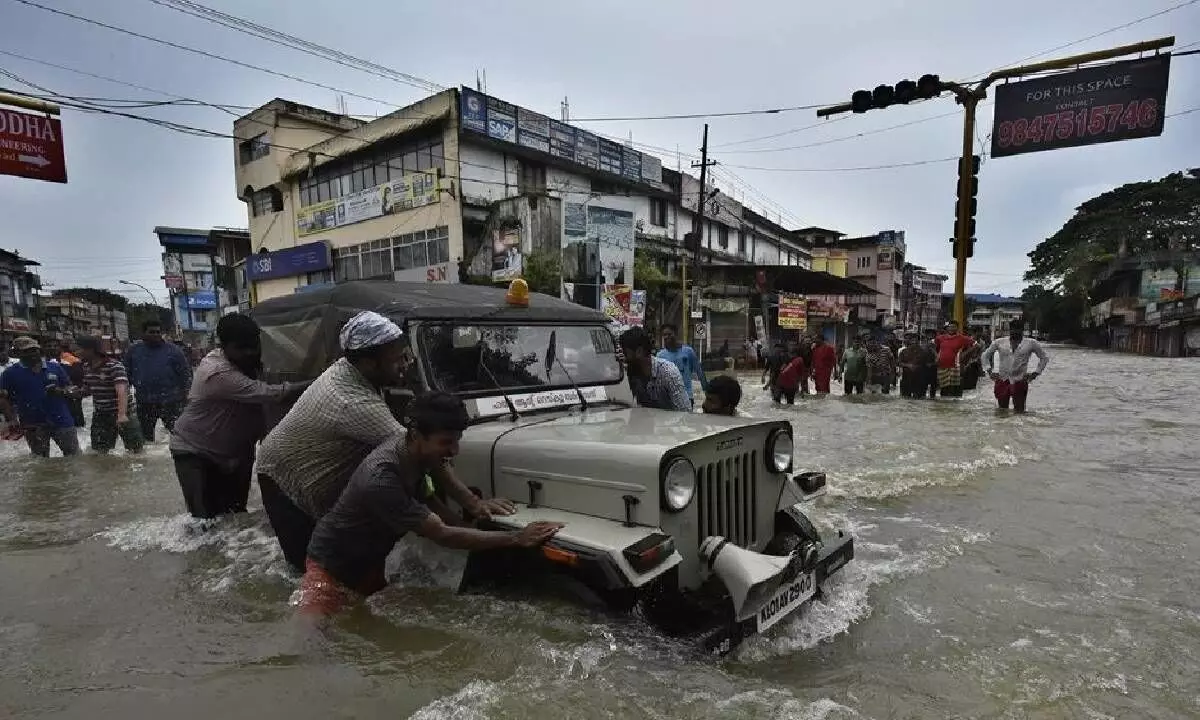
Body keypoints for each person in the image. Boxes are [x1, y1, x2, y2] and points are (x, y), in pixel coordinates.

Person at [257, 310, 514, 573]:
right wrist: (472, 503)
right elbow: (419, 451)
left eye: (405, 356)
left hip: (311, 460)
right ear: (369, 362)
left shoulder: (355, 369)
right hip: (284, 478)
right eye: (396, 360)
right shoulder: (353, 402)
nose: (404, 365)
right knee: (310, 569)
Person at [298, 392, 564, 617]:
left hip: (370, 563)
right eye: (446, 442)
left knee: (371, 626)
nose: (454, 451)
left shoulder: (415, 453)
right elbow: (442, 535)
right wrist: (517, 537)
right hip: (330, 568)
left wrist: (474, 504)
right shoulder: (380, 478)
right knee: (316, 640)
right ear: (416, 435)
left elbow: (431, 487)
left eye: (457, 441)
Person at [169, 313, 310, 520]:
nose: (250, 352)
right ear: (223, 346)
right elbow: (273, 394)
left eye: (253, 345)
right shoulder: (217, 371)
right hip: (195, 451)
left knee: (236, 518)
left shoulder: (254, 362)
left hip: (237, 453)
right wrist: (320, 380)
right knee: (204, 522)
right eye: (241, 348)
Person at [0, 336, 80, 457]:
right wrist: (11, 419)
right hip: (32, 424)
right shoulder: (10, 373)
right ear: (17, 353)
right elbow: (2, 397)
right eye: (26, 351)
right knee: (40, 462)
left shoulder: (55, 367)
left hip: (61, 421)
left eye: (34, 350)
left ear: (39, 350)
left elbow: (72, 388)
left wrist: (62, 391)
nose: (32, 354)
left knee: (74, 457)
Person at [125, 320, 192, 441]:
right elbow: (126, 376)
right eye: (152, 332)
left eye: (158, 332)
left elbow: (185, 374)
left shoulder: (174, 351)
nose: (156, 335)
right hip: (144, 402)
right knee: (146, 440)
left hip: (171, 401)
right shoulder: (134, 351)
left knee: (179, 435)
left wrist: (186, 396)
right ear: (143, 333)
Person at [75, 335, 144, 454]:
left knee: (136, 451)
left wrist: (121, 415)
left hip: (124, 412)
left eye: (79, 349)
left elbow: (121, 391)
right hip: (101, 415)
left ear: (90, 350)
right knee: (99, 452)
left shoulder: (114, 366)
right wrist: (70, 392)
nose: (77, 352)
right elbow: (87, 390)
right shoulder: (87, 367)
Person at [983, 319, 1049, 413]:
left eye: (1018, 329)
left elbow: (1044, 358)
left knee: (1019, 412)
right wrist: (989, 371)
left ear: (1022, 330)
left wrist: (1036, 373)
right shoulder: (999, 342)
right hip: (1003, 379)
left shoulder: (1031, 343)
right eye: (1013, 329)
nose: (1015, 332)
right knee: (1002, 411)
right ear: (1010, 330)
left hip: (1020, 380)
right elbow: (985, 355)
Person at [621, 326, 690, 412]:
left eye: (626, 353)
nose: (625, 357)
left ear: (639, 351)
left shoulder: (668, 372)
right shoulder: (633, 372)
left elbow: (684, 411)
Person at [656, 324, 708, 408]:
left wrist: (706, 391)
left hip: (687, 396)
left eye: (669, 334)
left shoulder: (688, 352)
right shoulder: (660, 355)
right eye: (664, 335)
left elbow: (699, 371)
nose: (666, 337)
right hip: (668, 398)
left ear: (676, 334)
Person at [935, 322, 975, 398]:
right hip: (942, 366)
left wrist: (964, 354)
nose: (951, 328)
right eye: (950, 327)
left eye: (954, 327)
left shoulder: (962, 338)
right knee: (943, 388)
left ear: (957, 328)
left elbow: (976, 345)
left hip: (955, 366)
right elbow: (933, 346)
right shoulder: (940, 338)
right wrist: (936, 356)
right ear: (947, 328)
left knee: (954, 387)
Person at [896, 332, 924, 398]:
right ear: (909, 341)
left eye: (916, 340)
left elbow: (925, 363)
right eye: (912, 340)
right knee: (905, 398)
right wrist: (908, 365)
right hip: (906, 377)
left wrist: (916, 366)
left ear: (918, 341)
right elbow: (899, 363)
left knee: (918, 398)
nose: (914, 342)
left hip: (918, 378)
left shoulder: (922, 351)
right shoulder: (903, 351)